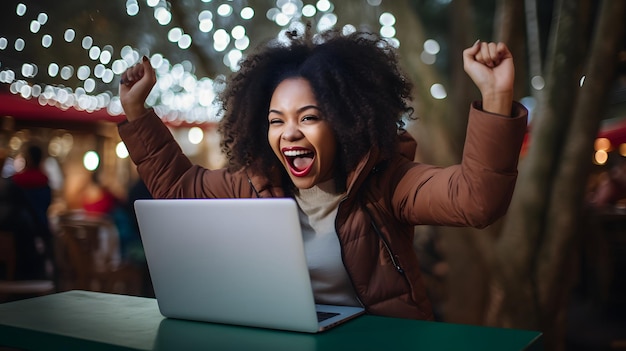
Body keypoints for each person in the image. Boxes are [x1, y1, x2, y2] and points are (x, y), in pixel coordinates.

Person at [118, 28, 527, 320]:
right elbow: (179, 189)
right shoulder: (254, 182)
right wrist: (137, 111)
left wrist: (495, 96)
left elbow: (477, 200)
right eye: (276, 121)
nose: (289, 132)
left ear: (344, 122)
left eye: (309, 117)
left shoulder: (388, 183)